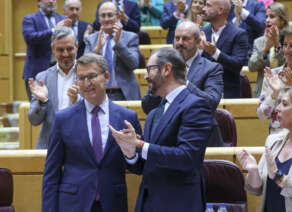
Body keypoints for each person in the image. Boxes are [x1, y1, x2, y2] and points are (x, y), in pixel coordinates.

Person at [108, 47, 213, 212]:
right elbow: (144, 166)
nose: (146, 76)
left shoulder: (195, 105)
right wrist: (130, 152)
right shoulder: (153, 114)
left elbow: (186, 157)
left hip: (179, 204)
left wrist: (140, 145)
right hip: (148, 203)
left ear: (166, 69)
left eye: (150, 69)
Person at [42, 53, 142, 212]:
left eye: (91, 76)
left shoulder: (126, 117)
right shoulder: (63, 119)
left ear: (106, 76)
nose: (86, 83)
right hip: (73, 204)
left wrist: (131, 153)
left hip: (112, 203)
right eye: (81, 78)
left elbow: (139, 168)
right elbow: (51, 173)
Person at [142, 21, 224, 146]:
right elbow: (147, 106)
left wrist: (182, 82)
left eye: (185, 39)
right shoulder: (163, 68)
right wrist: (156, 82)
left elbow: (211, 103)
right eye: (177, 38)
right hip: (166, 138)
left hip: (200, 138)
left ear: (198, 42)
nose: (180, 43)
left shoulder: (211, 68)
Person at [28, 27, 80, 149]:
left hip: (80, 146)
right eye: (60, 50)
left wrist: (77, 100)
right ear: (53, 49)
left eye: (70, 49)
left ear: (77, 46)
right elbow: (34, 120)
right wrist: (42, 102)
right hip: (50, 146)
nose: (65, 54)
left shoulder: (88, 74)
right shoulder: (42, 78)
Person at [85, 1, 141, 101]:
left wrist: (118, 44)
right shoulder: (91, 39)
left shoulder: (131, 37)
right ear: (98, 18)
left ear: (118, 17)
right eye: (103, 15)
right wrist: (97, 50)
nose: (106, 19)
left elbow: (133, 64)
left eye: (110, 15)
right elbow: (84, 68)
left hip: (123, 94)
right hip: (97, 94)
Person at [201, 0, 248, 98]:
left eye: (208, 6)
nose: (203, 9)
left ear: (220, 10)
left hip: (228, 93)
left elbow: (237, 65)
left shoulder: (238, 34)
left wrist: (215, 53)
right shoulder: (202, 32)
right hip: (203, 92)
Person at [22, 0, 64, 100]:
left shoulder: (62, 19)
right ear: (38, 2)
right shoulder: (29, 19)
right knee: (38, 108)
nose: (51, 1)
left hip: (60, 72)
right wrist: (53, 30)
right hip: (36, 72)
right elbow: (30, 38)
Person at [249, 2, 289, 97]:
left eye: (272, 17)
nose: (267, 20)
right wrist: (265, 50)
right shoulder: (259, 42)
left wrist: (277, 45)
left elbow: (288, 65)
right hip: (263, 93)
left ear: (282, 20)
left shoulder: (290, 40)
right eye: (266, 17)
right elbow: (251, 67)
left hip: (286, 91)